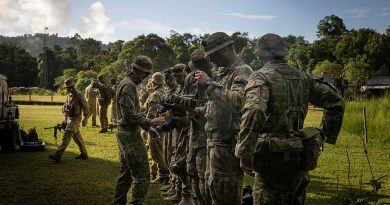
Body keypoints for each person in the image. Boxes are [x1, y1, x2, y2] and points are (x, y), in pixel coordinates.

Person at [235, 33, 344, 205]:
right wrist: (324, 135)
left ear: (261, 54)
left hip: (272, 162)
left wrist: (244, 152)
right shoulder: (303, 77)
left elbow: (255, 110)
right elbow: (336, 102)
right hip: (300, 157)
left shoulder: (260, 76)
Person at [195, 32, 253, 205]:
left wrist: (208, 84)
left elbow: (237, 102)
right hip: (215, 143)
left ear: (227, 49)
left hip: (227, 146)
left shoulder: (242, 71)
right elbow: (216, 107)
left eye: (213, 55)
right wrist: (196, 110)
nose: (211, 60)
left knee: (225, 196)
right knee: (214, 192)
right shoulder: (225, 73)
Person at [113, 55, 164, 205]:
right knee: (142, 175)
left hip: (124, 132)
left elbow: (130, 111)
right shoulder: (128, 85)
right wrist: (150, 123)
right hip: (129, 134)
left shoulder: (126, 83)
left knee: (126, 173)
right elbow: (128, 114)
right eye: (145, 73)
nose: (146, 77)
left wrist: (148, 126)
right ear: (137, 70)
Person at [183, 48, 213, 205]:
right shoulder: (189, 78)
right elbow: (185, 96)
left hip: (208, 133)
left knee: (204, 175)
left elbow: (220, 105)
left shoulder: (215, 78)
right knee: (192, 171)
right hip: (193, 130)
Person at [48, 78, 90, 162]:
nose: (68, 89)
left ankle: (58, 155)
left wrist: (85, 118)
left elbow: (87, 107)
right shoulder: (68, 96)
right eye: (67, 87)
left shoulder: (79, 95)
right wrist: (65, 120)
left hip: (76, 118)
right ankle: (84, 154)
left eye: (69, 87)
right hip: (70, 119)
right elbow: (66, 108)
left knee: (67, 135)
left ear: (73, 86)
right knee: (77, 137)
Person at [144, 72, 170, 184]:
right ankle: (162, 174)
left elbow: (152, 114)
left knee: (157, 152)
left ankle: (164, 176)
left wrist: (146, 128)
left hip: (156, 128)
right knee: (162, 151)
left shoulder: (155, 95)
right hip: (165, 127)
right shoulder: (166, 91)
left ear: (154, 82)